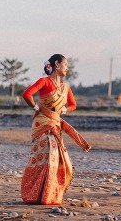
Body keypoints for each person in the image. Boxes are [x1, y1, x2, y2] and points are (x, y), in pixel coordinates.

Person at [21, 54, 91, 205]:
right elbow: (26, 94)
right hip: (42, 125)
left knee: (57, 159)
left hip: (55, 125)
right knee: (45, 157)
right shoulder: (44, 82)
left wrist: (64, 111)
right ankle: (34, 193)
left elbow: (73, 105)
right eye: (65, 64)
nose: (67, 68)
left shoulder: (66, 87)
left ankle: (49, 194)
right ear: (57, 64)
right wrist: (36, 107)